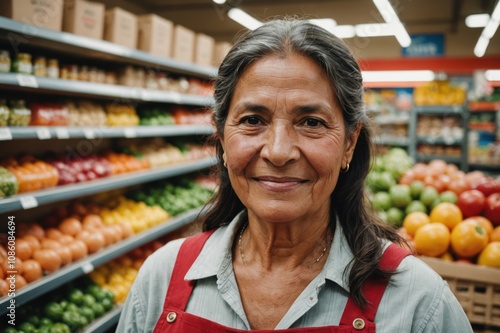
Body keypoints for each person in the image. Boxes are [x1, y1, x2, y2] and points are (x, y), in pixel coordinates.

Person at [116, 18, 473, 332]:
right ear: (222, 137)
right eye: (253, 120)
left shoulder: (419, 304)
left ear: (349, 144)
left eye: (311, 122)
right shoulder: (161, 278)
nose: (278, 151)